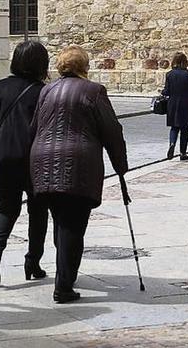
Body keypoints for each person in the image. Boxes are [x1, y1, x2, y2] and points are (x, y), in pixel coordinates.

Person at [29, 46, 128, 304]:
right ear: (85, 66)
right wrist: (120, 166)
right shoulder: (94, 91)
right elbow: (111, 130)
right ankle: (63, 286)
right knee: (73, 224)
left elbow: (34, 127)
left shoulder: (46, 91)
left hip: (43, 161)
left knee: (60, 220)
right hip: (78, 163)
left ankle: (65, 273)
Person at [0, 41, 50, 286]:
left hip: (4, 155)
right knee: (38, 211)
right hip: (33, 158)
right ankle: (33, 262)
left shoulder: (0, 87)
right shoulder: (43, 91)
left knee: (6, 208)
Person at [162, 52, 188, 160]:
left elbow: (166, 91)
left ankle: (172, 144)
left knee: (174, 127)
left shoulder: (169, 74)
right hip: (186, 104)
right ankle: (183, 153)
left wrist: (162, 92)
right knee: (184, 129)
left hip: (173, 104)